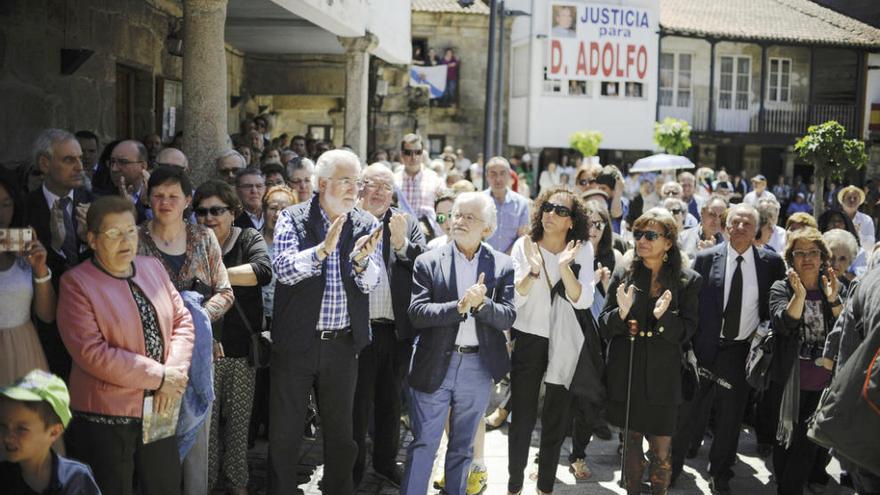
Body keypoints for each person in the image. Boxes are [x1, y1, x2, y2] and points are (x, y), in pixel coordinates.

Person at [58, 195, 195, 495]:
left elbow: (182, 321)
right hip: (105, 414)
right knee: (111, 488)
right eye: (113, 233)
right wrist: (160, 376)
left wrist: (173, 373)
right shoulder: (76, 283)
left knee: (165, 485)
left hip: (159, 404)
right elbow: (92, 353)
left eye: (131, 230)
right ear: (92, 239)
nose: (126, 240)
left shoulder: (152, 268)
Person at [268, 149, 382, 495]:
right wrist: (321, 251)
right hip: (295, 344)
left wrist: (362, 262)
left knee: (341, 435)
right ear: (321, 184)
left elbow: (370, 283)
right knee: (285, 433)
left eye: (356, 182)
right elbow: (283, 269)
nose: (353, 190)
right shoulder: (293, 217)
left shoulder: (366, 223)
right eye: (345, 181)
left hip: (342, 345)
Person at [402, 191, 516, 495]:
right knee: (424, 444)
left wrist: (481, 305)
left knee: (463, 447)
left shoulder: (502, 265)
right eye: (457, 215)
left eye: (469, 217)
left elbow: (507, 317)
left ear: (487, 229)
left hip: (478, 367)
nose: (459, 221)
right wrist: (459, 307)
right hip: (434, 362)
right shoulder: (428, 260)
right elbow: (417, 312)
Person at [671, 203, 786, 493]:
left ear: (757, 229)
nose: (740, 228)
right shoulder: (707, 258)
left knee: (730, 420)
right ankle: (669, 470)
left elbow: (772, 308)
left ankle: (720, 474)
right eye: (734, 222)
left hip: (740, 352)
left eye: (747, 223)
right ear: (725, 226)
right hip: (704, 349)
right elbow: (692, 303)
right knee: (687, 412)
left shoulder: (771, 263)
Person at [137, 166, 233, 495]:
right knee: (158, 443)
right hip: (152, 360)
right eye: (158, 195)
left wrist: (194, 322)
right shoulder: (135, 238)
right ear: (148, 198)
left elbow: (225, 291)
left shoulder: (203, 238)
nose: (165, 202)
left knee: (196, 448)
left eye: (173, 196)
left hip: (198, 358)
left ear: (188, 200)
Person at [599, 208, 701, 494]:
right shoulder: (625, 272)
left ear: (668, 242)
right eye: (638, 234)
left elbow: (687, 332)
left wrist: (664, 317)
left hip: (664, 378)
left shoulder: (687, 280)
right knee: (630, 444)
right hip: (628, 371)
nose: (642, 240)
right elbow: (604, 325)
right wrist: (620, 313)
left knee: (661, 451)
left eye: (650, 235)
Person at [506, 187, 595, 495]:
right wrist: (533, 271)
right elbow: (514, 300)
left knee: (556, 421)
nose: (551, 214)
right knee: (522, 419)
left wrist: (563, 268)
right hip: (529, 337)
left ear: (573, 221)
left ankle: (545, 488)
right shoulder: (525, 244)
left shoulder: (581, 249)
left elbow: (583, 300)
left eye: (560, 211)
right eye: (547, 207)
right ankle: (514, 485)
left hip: (565, 342)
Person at [193, 181, 272, 495]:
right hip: (201, 353)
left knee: (239, 429)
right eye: (201, 211)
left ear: (233, 211)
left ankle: (237, 486)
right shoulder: (189, 243)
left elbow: (262, 271)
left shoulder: (248, 237)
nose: (209, 217)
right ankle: (206, 485)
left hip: (240, 353)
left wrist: (215, 270)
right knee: (205, 432)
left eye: (217, 210)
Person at [352, 164, 426, 487]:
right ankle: (351, 468)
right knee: (355, 403)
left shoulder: (405, 224)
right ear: (360, 188)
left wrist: (400, 245)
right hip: (357, 330)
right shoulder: (348, 221)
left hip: (395, 332)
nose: (380, 192)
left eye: (386, 187)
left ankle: (384, 462)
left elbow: (424, 265)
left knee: (390, 401)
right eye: (373, 185)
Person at [768, 228, 841, 495]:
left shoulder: (831, 286)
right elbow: (784, 325)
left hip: (822, 381)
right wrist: (798, 296)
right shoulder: (781, 287)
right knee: (785, 440)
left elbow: (844, 327)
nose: (807, 258)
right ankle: (786, 483)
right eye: (800, 253)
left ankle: (790, 489)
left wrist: (833, 299)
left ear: (823, 257)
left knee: (807, 442)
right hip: (790, 378)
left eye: (813, 252)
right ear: (791, 258)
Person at [24, 129, 93, 380]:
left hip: (91, 326)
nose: (79, 167)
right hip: (45, 330)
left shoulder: (96, 205)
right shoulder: (23, 210)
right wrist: (54, 247)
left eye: (80, 159)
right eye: (68, 160)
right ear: (44, 163)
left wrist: (89, 242)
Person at [0, 370, 101, 494]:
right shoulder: (4, 477)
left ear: (54, 432)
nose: (7, 437)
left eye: (21, 429)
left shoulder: (75, 478)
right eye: (3, 426)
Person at [0, 174, 53, 386]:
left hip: (22, 349)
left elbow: (47, 315)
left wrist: (40, 268)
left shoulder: (23, 249)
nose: (0, 213)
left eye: (6, 204)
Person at [484, 157, 531, 254]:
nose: (498, 179)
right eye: (493, 174)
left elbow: (522, 237)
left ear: (509, 175)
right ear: (487, 176)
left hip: (511, 261)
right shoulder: (478, 201)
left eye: (502, 173)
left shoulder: (521, 203)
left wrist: (504, 259)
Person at [394, 134, 444, 218]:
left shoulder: (435, 181)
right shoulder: (393, 181)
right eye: (408, 153)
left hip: (427, 230)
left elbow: (444, 212)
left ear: (423, 153)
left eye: (418, 152)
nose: (413, 157)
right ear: (402, 154)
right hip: (400, 229)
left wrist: (438, 228)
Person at [107, 140, 151, 223]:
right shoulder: (101, 197)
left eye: (123, 162)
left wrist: (147, 204)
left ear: (143, 166)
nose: (114, 169)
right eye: (112, 162)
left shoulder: (156, 194)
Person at [679, 195, 727, 260]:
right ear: (702, 213)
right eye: (712, 215)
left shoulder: (729, 241)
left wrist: (711, 254)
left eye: (721, 216)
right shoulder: (683, 238)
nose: (717, 221)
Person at [838, 185, 875, 249]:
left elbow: (870, 245)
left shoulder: (867, 220)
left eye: (855, 198)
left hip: (861, 258)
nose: (852, 200)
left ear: (859, 201)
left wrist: (858, 234)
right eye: (849, 197)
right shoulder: (835, 219)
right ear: (842, 200)